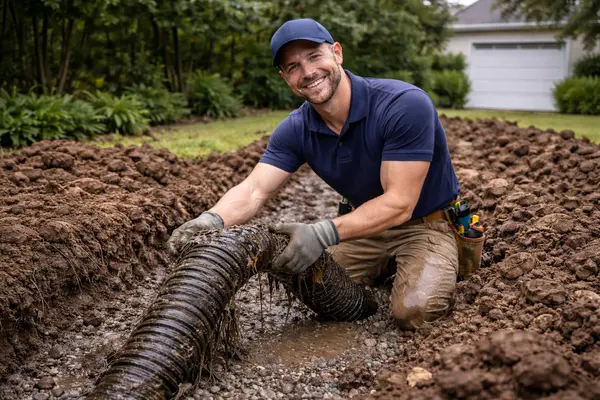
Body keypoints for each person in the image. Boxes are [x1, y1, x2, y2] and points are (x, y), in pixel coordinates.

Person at [167, 18, 460, 329]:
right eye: (293, 67)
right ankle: (382, 271)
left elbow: (400, 203)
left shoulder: (402, 105)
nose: (307, 72)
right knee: (310, 281)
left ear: (337, 53)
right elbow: (255, 189)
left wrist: (322, 234)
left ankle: (420, 265)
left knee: (413, 311)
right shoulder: (296, 128)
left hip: (426, 225)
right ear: (285, 78)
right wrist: (212, 219)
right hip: (365, 228)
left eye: (314, 56)